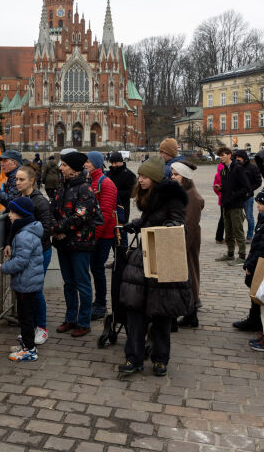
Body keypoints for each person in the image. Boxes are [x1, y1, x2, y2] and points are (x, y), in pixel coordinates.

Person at [119, 155, 190, 376]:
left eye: (145, 176)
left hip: (164, 257)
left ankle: (160, 359)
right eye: (139, 175)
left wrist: (168, 228)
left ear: (156, 178)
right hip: (145, 255)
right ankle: (134, 358)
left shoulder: (172, 197)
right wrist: (135, 224)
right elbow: (152, 219)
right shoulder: (151, 196)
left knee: (161, 312)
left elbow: (177, 223)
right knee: (135, 310)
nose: (140, 179)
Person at [51, 151, 97, 337]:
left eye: (64, 165)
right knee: (68, 283)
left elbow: (80, 215)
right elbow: (53, 209)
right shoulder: (62, 186)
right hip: (63, 242)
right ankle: (71, 318)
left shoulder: (85, 188)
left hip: (80, 242)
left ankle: (84, 322)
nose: (60, 167)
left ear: (74, 169)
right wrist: (53, 228)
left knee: (82, 283)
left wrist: (59, 229)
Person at [0, 196, 46, 362]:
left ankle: (30, 350)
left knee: (26, 317)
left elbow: (21, 261)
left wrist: (4, 267)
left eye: (13, 212)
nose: (9, 215)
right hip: (28, 281)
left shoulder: (24, 235)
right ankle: (26, 344)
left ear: (22, 214)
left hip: (26, 282)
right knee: (26, 315)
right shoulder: (26, 231)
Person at [14, 164, 53, 345]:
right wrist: (9, 243)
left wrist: (30, 246)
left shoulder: (41, 202)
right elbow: (14, 226)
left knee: (35, 290)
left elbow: (46, 228)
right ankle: (29, 329)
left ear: (32, 181)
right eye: (16, 179)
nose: (18, 182)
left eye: (21, 179)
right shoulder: (18, 199)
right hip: (24, 252)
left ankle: (42, 328)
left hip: (40, 252)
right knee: (26, 291)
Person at [239, 187, 264, 349]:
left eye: (260, 203)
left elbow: (261, 248)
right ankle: (255, 323)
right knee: (255, 294)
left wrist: (250, 264)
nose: (257, 205)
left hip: (260, 265)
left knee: (260, 295)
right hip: (257, 263)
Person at [170, 161, 204, 327]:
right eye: (172, 173)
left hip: (187, 241)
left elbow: (189, 225)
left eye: (176, 174)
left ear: (185, 178)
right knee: (185, 274)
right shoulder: (184, 193)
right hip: (181, 239)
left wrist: (180, 248)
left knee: (189, 273)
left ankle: (191, 312)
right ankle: (189, 312)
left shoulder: (193, 197)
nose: (172, 177)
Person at [85, 151, 118, 320]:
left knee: (98, 268)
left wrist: (94, 236)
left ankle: (101, 304)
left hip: (103, 235)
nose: (85, 164)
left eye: (88, 162)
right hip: (95, 233)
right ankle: (98, 301)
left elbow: (104, 214)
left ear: (96, 164)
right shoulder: (91, 180)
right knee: (95, 268)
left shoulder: (106, 183)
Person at [216, 147, 251, 265]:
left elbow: (247, 188)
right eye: (219, 155)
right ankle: (230, 254)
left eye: (222, 155)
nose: (220, 157)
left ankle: (242, 256)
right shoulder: (224, 170)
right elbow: (227, 186)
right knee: (228, 231)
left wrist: (235, 195)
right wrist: (221, 188)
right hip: (226, 204)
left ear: (229, 155)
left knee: (238, 231)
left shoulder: (238, 168)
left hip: (236, 205)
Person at [234, 150, 262, 242]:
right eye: (236, 157)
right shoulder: (235, 167)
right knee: (237, 217)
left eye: (239, 157)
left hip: (247, 197)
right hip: (237, 196)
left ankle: (250, 236)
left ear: (244, 158)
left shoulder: (252, 168)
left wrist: (249, 189)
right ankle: (238, 236)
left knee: (249, 217)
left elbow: (258, 182)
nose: (237, 159)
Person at [107, 151, 137, 226]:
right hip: (109, 207)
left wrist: (114, 193)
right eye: (112, 163)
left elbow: (132, 193)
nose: (113, 165)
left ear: (121, 162)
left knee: (122, 229)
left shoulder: (129, 175)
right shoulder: (108, 173)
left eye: (115, 163)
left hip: (122, 207)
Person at [213, 159, 225, 244]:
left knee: (222, 218)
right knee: (226, 219)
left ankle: (219, 237)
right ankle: (221, 237)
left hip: (221, 198)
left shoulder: (217, 174)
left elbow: (215, 187)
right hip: (227, 198)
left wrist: (219, 194)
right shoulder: (228, 171)